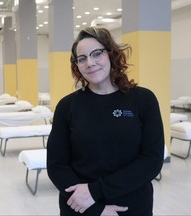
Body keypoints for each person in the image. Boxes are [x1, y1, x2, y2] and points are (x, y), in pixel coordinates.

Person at [46, 27, 164, 216]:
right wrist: (94, 208)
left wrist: (95, 191)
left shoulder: (143, 100)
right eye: (82, 58)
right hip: (81, 207)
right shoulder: (67, 106)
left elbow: (152, 160)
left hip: (131, 205)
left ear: (111, 54)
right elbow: (56, 165)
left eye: (96, 54)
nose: (90, 63)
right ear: (77, 65)